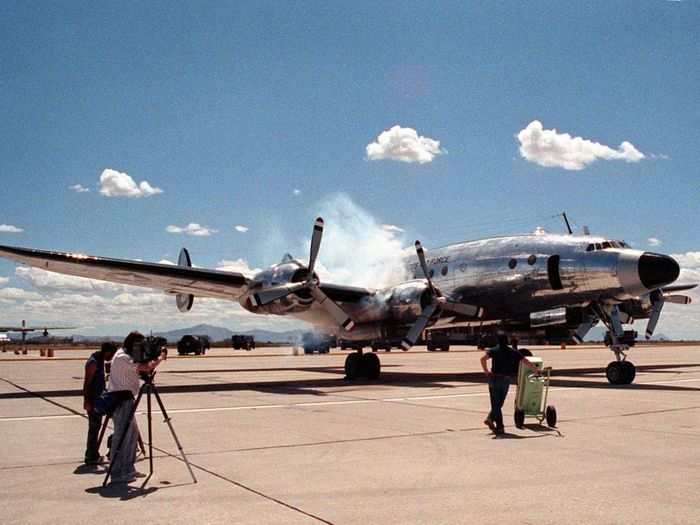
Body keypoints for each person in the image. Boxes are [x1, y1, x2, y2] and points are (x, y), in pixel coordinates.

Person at [107, 331, 167, 483]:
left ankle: (128, 468)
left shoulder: (126, 355)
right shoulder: (123, 357)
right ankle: (118, 471)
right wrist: (159, 357)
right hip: (121, 400)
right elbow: (145, 368)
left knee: (131, 435)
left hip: (126, 398)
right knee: (122, 436)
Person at [480, 333, 539, 435]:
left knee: (496, 405)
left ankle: (493, 421)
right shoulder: (512, 352)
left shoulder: (494, 350)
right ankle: (497, 425)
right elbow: (526, 361)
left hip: (494, 379)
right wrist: (536, 371)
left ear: (497, 341)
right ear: (507, 341)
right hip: (505, 380)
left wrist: (486, 371)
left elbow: (482, 359)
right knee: (499, 404)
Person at [83, 342, 117, 464]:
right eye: (112, 354)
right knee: (93, 429)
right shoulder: (93, 362)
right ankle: (91, 456)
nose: (112, 357)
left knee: (97, 427)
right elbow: (87, 383)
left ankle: (94, 454)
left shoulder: (100, 360)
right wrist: (86, 401)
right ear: (107, 352)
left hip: (100, 399)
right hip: (93, 400)